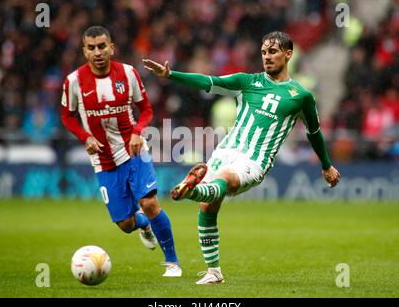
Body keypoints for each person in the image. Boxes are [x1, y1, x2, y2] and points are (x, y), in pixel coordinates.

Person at [143, 31, 341, 284]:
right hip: (225, 151)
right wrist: (171, 75)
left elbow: (314, 132)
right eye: (264, 52)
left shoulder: (301, 96)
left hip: (255, 160)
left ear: (288, 54)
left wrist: (326, 165)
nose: (267, 57)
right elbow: (208, 81)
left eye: (273, 52)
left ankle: (191, 190)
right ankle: (214, 271)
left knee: (225, 182)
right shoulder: (246, 82)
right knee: (208, 206)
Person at [61, 26, 181, 277]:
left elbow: (146, 109)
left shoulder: (127, 74)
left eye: (102, 46)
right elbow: (67, 116)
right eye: (91, 48)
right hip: (103, 159)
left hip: (134, 149)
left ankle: (172, 263)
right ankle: (143, 225)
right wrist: (85, 137)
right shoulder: (73, 81)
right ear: (84, 51)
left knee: (149, 202)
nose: (97, 52)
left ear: (111, 48)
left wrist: (138, 131)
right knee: (125, 224)